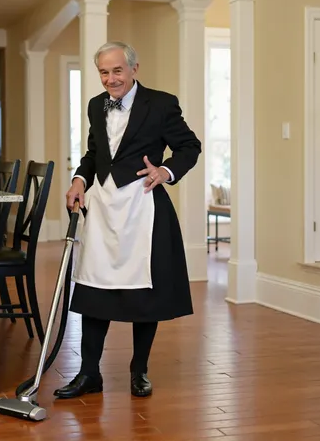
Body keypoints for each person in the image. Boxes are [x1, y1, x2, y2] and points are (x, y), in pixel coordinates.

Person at [54, 41, 201, 399]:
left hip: (142, 207)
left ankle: (139, 370)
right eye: (104, 72)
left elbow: (189, 146)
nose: (110, 79)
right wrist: (79, 180)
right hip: (102, 208)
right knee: (93, 288)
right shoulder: (94, 105)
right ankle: (90, 374)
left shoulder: (162, 103)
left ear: (134, 69)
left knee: (143, 291)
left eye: (117, 70)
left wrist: (165, 171)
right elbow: (93, 154)